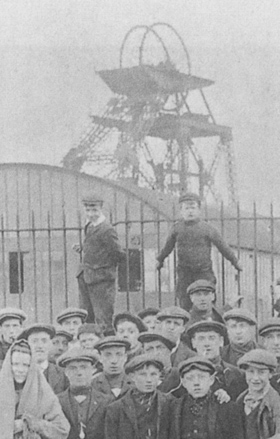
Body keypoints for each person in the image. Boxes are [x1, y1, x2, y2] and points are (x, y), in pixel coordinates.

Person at [156, 192, 242, 310]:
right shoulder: (177, 228)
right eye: (186, 208)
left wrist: (235, 261)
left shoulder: (207, 228)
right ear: (181, 211)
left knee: (207, 301)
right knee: (185, 302)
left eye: (193, 208)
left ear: (199, 210)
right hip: (184, 273)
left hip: (203, 272)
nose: (190, 211)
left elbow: (223, 247)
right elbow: (167, 247)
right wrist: (160, 260)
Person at [0, 338, 70, 439]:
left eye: (25, 365)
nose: (20, 370)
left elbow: (62, 429)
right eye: (15, 364)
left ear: (32, 367)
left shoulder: (44, 393)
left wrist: (30, 423)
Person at [74, 194, 125, 331]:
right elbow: (96, 245)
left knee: (103, 318)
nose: (91, 214)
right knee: (86, 316)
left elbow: (118, 254)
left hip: (101, 280)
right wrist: (83, 248)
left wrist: (102, 268)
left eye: (94, 210)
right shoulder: (89, 226)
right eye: (88, 210)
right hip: (86, 276)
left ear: (101, 209)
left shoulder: (107, 229)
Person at [171, 356, 243, 439]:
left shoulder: (227, 407)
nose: (196, 383)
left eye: (202, 377)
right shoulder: (174, 408)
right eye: (190, 378)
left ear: (211, 380)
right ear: (183, 382)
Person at [105, 353, 174, 439]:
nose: (149, 380)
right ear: (132, 376)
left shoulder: (170, 403)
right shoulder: (116, 409)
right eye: (143, 374)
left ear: (159, 376)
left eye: (153, 374)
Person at [58, 347, 112, 439]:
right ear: (66, 372)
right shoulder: (56, 401)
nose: (79, 373)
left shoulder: (107, 401)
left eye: (84, 367)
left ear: (92, 370)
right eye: (73, 368)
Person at [186, 320, 247, 400]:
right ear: (193, 342)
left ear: (221, 341)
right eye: (201, 338)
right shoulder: (185, 374)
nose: (206, 344)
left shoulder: (237, 375)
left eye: (211, 338)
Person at [237, 349, 280, 439]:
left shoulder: (276, 402)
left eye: (261, 372)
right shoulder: (241, 399)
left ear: (270, 374)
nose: (255, 378)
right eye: (251, 372)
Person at [19, 323, 69, 394]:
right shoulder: (19, 373)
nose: (40, 346)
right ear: (27, 345)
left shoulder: (63, 374)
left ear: (50, 344)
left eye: (44, 341)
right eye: (34, 341)